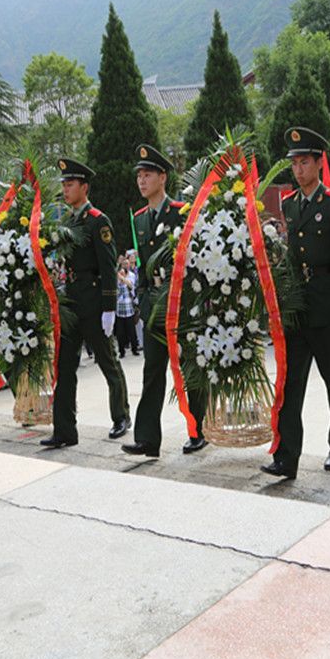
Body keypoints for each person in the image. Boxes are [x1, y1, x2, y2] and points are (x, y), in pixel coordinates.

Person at [260, 127, 330, 479]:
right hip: (297, 307)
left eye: (304, 162)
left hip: (327, 303)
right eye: (295, 163)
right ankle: (287, 457)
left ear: (319, 163)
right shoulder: (289, 204)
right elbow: (291, 257)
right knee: (291, 384)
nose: (298, 169)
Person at [122, 144, 208, 457]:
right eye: (139, 176)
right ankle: (147, 439)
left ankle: (198, 429)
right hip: (153, 307)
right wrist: (143, 302)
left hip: (181, 304)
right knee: (152, 372)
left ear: (163, 178)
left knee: (189, 368)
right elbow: (143, 268)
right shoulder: (140, 219)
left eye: (148, 175)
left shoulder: (181, 212)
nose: (141, 181)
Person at [42, 158, 130, 448]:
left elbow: (107, 266)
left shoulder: (97, 220)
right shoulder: (67, 222)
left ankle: (121, 416)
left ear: (84, 187)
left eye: (70, 184)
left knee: (108, 362)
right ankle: (64, 429)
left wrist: (109, 308)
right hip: (71, 303)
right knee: (65, 367)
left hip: (93, 302)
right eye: (64, 185)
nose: (65, 190)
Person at [115, 256, 140, 357]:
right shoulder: (116, 277)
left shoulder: (131, 275)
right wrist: (119, 279)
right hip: (119, 308)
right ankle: (121, 351)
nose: (125, 266)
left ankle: (135, 349)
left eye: (127, 264)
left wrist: (123, 278)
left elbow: (131, 285)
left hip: (129, 307)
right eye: (123, 264)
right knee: (120, 332)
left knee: (132, 331)